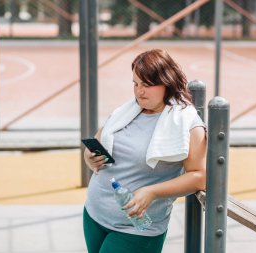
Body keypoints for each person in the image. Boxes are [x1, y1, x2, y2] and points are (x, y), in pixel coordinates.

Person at [83, 49, 206, 253]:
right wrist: (89, 158)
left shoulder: (187, 122)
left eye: (147, 85)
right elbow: (99, 140)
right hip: (94, 215)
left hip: (137, 229)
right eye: (136, 83)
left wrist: (152, 191)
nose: (139, 91)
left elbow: (199, 177)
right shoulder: (128, 110)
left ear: (167, 82)